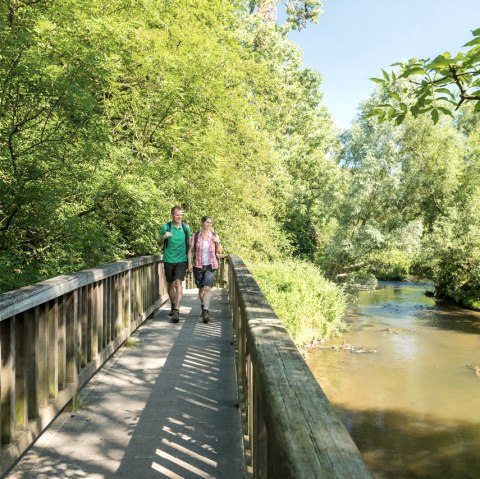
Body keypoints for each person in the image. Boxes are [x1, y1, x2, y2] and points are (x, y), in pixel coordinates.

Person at [158, 206, 191, 323]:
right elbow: (159, 244)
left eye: (181, 215)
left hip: (181, 260)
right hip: (168, 260)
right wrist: (163, 237)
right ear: (172, 214)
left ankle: (177, 311)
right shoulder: (165, 227)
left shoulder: (185, 228)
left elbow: (189, 246)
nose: (179, 217)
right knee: (170, 284)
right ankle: (172, 304)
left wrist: (189, 262)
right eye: (177, 215)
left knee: (178, 284)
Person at [187, 216, 222, 323]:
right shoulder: (196, 236)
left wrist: (218, 242)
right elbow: (190, 251)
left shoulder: (214, 236)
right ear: (202, 223)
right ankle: (203, 305)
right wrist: (189, 263)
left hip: (211, 266)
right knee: (201, 289)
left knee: (207, 288)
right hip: (198, 265)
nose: (209, 224)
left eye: (210, 223)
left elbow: (219, 251)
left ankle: (206, 311)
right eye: (207, 222)